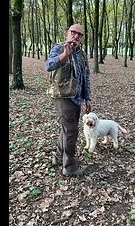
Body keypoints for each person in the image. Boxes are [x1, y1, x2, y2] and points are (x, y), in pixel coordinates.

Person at [45, 23, 91, 176]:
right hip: (62, 95)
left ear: (82, 38)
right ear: (67, 33)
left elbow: (86, 77)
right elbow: (48, 65)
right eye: (73, 32)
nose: (76, 36)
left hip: (76, 98)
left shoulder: (82, 54)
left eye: (80, 34)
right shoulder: (59, 48)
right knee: (71, 131)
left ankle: (58, 157)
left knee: (66, 129)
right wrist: (64, 55)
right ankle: (69, 167)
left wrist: (87, 98)